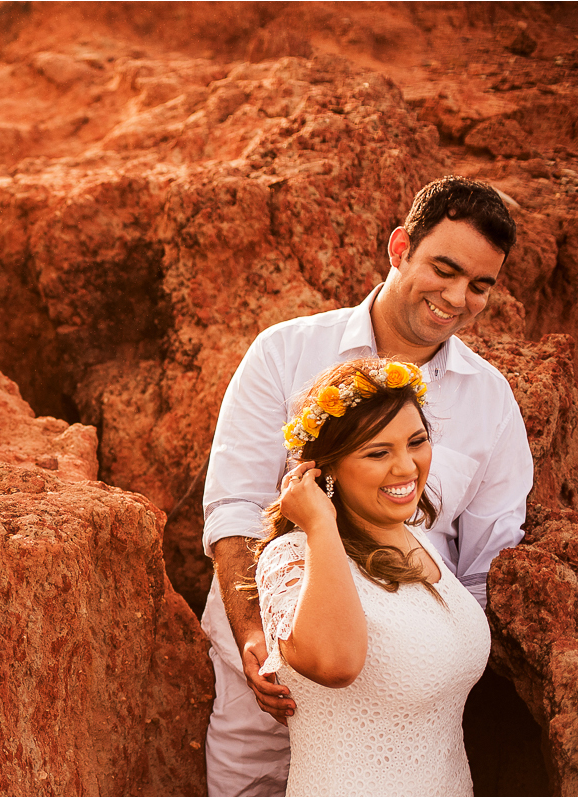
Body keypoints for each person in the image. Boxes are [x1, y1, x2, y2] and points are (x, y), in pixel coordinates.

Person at [200, 175, 533, 796]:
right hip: (267, 671)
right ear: (400, 247)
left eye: (479, 285)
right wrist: (253, 636)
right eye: (444, 269)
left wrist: (439, 670)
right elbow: (235, 508)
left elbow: (486, 562)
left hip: (402, 698)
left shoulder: (491, 401)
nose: (456, 297)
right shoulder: (284, 353)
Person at [247, 358, 489, 796]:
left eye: (416, 442)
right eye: (378, 452)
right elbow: (336, 665)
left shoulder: (416, 538)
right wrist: (320, 524)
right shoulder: (291, 557)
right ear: (327, 468)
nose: (407, 467)